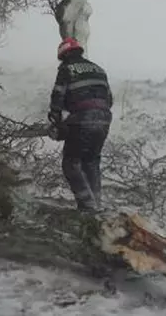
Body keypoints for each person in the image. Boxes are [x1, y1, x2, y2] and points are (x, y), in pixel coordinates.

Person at [48, 37, 114, 212]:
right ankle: (96, 203)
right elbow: (109, 100)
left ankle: (87, 206)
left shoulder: (66, 69)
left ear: (64, 55)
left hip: (82, 120)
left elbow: (57, 97)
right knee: (91, 162)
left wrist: (57, 121)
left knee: (71, 163)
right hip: (104, 119)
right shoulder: (99, 69)